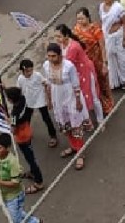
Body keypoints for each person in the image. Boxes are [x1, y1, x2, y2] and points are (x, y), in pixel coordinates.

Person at [43, 43, 90, 171]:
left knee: (75, 126)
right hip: (57, 97)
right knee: (65, 125)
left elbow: (76, 85)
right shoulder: (46, 65)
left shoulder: (69, 66)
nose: (51, 59)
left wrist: (78, 102)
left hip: (70, 97)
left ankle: (80, 152)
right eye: (49, 56)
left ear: (59, 55)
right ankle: (73, 146)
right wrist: (49, 100)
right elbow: (48, 83)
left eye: (54, 56)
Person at [0, 133, 41, 222]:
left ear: (7, 148)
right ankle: (35, 221)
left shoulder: (13, 162)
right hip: (3, 194)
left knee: (15, 219)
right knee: (15, 213)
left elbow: (14, 183)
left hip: (14, 196)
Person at [56, 22, 106, 121]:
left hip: (85, 73)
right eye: (56, 36)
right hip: (77, 74)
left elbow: (65, 63)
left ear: (66, 36)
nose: (57, 39)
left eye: (59, 36)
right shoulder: (62, 46)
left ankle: (100, 120)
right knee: (81, 97)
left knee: (94, 96)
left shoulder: (73, 47)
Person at [70, 10, 115, 114]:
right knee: (92, 84)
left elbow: (102, 47)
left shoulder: (95, 29)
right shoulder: (76, 31)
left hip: (97, 61)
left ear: (88, 18)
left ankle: (108, 104)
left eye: (82, 18)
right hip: (86, 63)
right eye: (78, 19)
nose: (80, 21)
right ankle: (97, 105)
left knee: (102, 82)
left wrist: (104, 63)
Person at [5, 87, 45, 194]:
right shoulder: (22, 99)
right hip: (27, 129)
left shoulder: (14, 114)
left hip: (22, 137)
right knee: (30, 156)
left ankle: (39, 182)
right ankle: (32, 172)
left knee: (31, 159)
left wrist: (8, 121)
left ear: (11, 99)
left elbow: (13, 130)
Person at [17, 59, 58, 146]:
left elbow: (46, 84)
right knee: (26, 119)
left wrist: (48, 99)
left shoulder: (37, 75)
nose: (30, 73)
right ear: (22, 71)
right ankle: (27, 134)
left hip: (40, 101)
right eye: (27, 71)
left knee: (46, 118)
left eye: (31, 70)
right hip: (28, 102)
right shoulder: (20, 79)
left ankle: (53, 136)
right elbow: (19, 90)